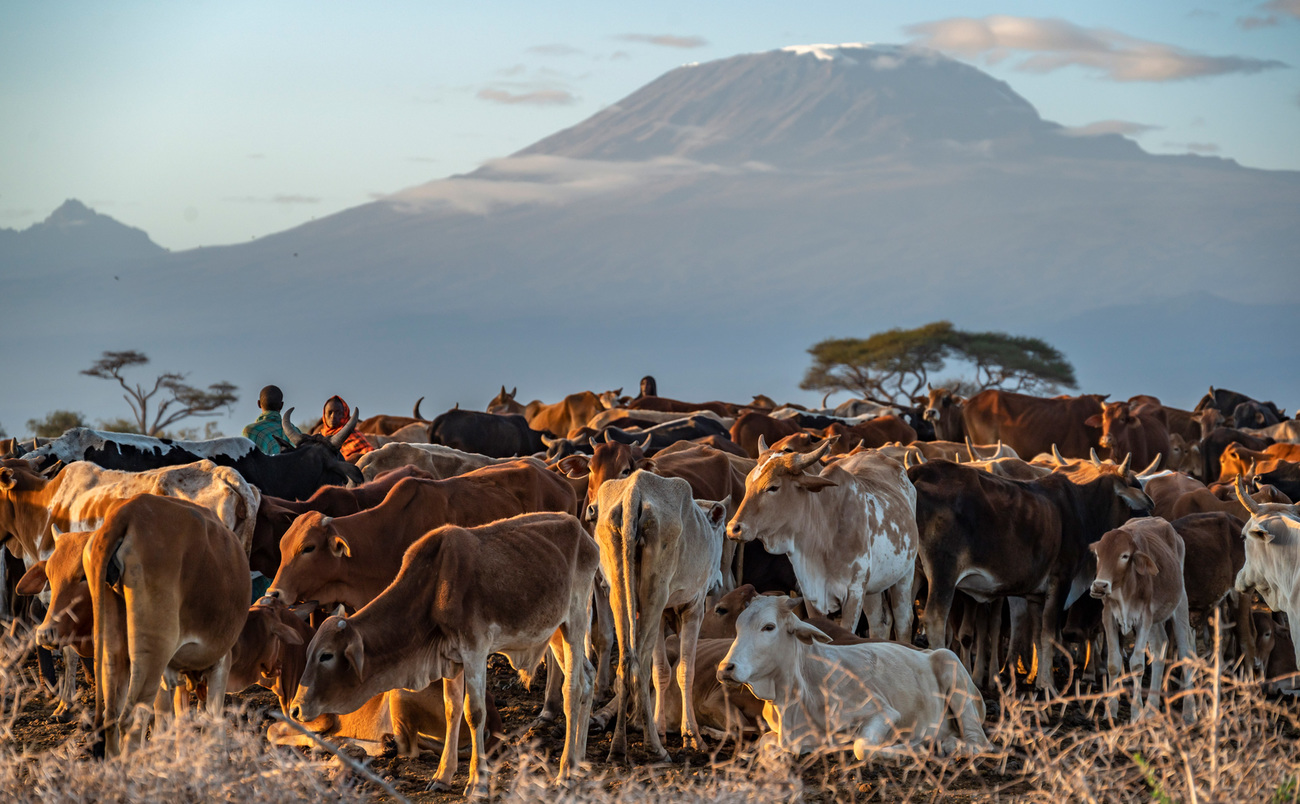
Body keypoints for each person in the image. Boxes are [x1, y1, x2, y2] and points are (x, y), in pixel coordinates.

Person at [320, 395, 373, 462]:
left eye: (338, 413)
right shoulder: (320, 437)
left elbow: (370, 454)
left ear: (345, 414)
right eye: (330, 412)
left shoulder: (354, 435)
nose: (333, 416)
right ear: (324, 414)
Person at [242, 385, 287, 455]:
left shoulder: (250, 431)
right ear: (281, 405)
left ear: (259, 404)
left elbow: (244, 462)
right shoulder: (295, 431)